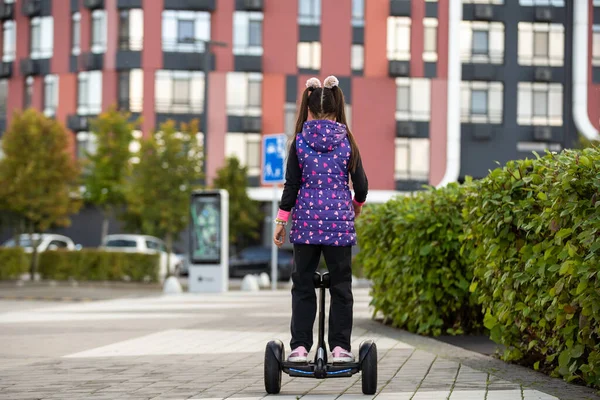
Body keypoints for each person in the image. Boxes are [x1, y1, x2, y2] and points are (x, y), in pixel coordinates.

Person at [273, 75, 369, 364]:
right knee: (341, 286)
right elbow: (361, 185)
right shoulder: (348, 141)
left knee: (303, 284)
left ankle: (300, 347)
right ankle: (340, 348)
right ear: (338, 108)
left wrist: (281, 221)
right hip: (339, 226)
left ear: (309, 109)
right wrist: (356, 205)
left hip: (305, 228)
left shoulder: (299, 142)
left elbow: (291, 186)